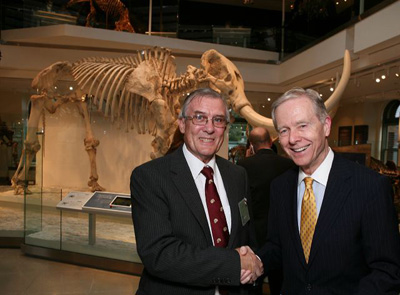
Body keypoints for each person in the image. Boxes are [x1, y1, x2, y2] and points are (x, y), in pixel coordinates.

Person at [247, 87, 400, 294]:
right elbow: (277, 246)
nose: (293, 139)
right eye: (284, 130)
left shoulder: (370, 187)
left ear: (326, 126)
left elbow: (387, 270)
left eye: (302, 125)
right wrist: (255, 261)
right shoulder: (280, 187)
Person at [130, 88, 263, 295]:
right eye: (200, 118)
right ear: (182, 124)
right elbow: (159, 253)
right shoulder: (150, 177)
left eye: (218, 120)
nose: (209, 128)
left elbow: (247, 237)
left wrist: (256, 263)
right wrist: (234, 264)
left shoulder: (238, 175)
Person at [237, 127, 295, 295]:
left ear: (252, 145)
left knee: (253, 283)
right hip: (282, 234)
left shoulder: (243, 165)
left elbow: (241, 203)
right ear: (270, 142)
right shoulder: (289, 164)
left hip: (254, 234)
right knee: (279, 283)